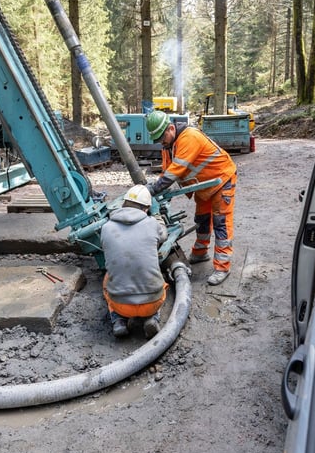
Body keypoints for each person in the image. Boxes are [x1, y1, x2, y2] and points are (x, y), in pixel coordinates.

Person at [145, 110, 237, 286]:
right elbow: (166, 172)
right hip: (204, 185)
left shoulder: (189, 137)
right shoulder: (168, 146)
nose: (160, 143)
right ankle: (200, 252)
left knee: (221, 223)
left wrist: (153, 190)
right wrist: (160, 193)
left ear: (171, 128)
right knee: (202, 219)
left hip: (221, 179)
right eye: (157, 140)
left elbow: (174, 172)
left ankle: (222, 266)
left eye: (161, 138)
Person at [100, 184, 169, 338]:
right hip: (152, 302)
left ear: (123, 204)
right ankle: (153, 318)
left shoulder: (106, 228)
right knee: (159, 279)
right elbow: (164, 235)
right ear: (146, 208)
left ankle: (118, 320)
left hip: (121, 305)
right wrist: (157, 216)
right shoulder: (152, 224)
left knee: (106, 278)